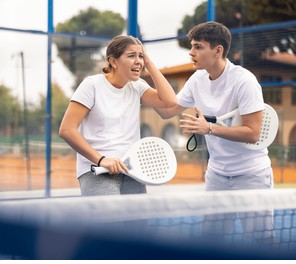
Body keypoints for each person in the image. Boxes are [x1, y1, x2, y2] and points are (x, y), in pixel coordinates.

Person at [155, 21, 275, 244]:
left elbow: (253, 133)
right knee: (211, 241)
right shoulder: (197, 79)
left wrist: (208, 128)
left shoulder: (244, 81)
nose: (191, 52)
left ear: (217, 50)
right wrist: (142, 85)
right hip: (217, 175)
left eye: (198, 46)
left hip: (251, 175)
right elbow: (167, 110)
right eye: (191, 46)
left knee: (263, 242)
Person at [59, 35, 176, 196]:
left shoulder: (137, 87)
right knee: (108, 220)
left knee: (137, 221)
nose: (138, 61)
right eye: (131, 56)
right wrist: (101, 159)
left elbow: (170, 101)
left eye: (140, 56)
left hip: (132, 170)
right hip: (97, 170)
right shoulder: (92, 85)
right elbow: (67, 130)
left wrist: (148, 62)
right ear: (113, 61)